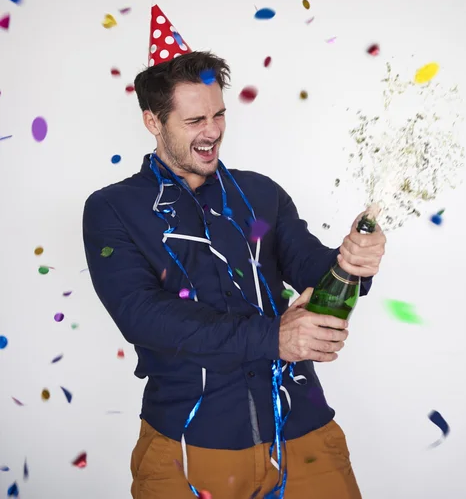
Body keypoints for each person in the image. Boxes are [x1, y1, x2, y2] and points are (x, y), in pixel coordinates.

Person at [83, 50, 386, 499]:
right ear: (153, 122)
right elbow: (142, 315)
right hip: (186, 451)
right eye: (193, 121)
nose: (212, 132)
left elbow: (311, 271)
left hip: (304, 438)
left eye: (219, 114)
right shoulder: (113, 209)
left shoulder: (261, 194)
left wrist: (352, 263)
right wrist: (272, 338)